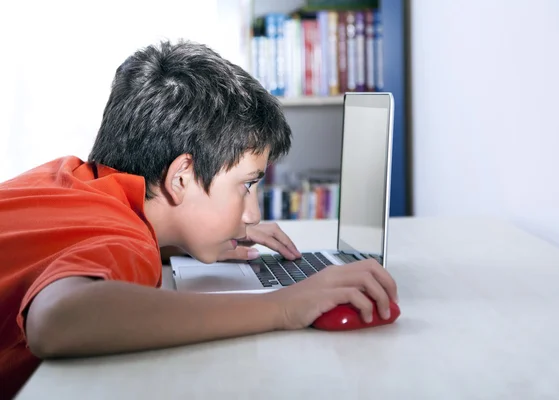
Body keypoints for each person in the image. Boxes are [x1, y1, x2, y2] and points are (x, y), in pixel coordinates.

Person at [0, 40, 397, 398]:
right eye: (246, 186)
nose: (252, 213)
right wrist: (284, 306)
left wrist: (186, 237)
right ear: (181, 178)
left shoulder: (65, 176)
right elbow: (57, 319)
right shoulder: (126, 239)